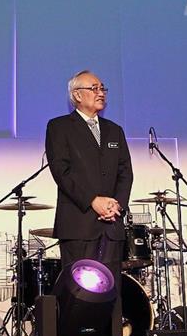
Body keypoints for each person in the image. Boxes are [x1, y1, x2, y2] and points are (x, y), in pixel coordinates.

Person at [45, 70, 133, 283]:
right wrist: (93, 201)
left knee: (111, 293)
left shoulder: (115, 130)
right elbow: (61, 172)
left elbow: (125, 172)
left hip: (111, 226)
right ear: (77, 95)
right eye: (94, 88)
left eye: (102, 88)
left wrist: (116, 206)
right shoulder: (59, 127)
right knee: (79, 295)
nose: (100, 92)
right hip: (78, 225)